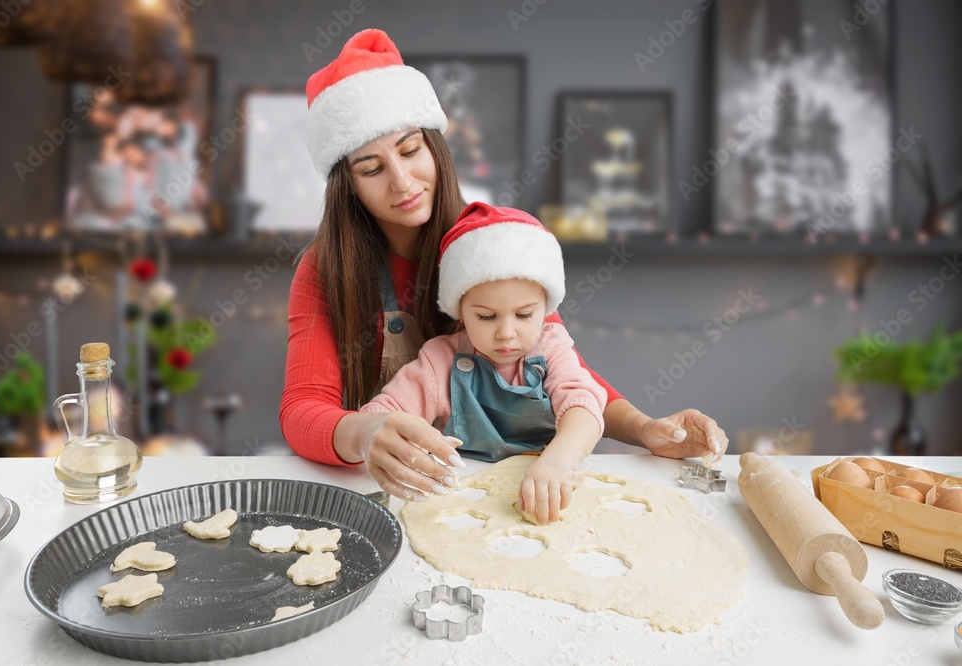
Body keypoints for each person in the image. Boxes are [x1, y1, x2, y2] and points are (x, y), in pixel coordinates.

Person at [280, 28, 727, 503]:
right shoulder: (326, 268)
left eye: (411, 151)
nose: (402, 181)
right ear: (347, 185)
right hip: (402, 486)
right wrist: (365, 433)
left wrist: (645, 429)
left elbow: (562, 367)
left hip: (512, 483)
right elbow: (302, 409)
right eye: (371, 169)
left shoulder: (488, 242)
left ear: (435, 147)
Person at [361, 202, 607, 523]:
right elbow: (379, 420)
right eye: (486, 316)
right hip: (466, 501)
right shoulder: (439, 361)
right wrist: (391, 440)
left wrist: (556, 463)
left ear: (546, 307)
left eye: (524, 314)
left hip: (550, 487)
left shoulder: (552, 345)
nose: (506, 333)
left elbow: (584, 408)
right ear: (460, 311)